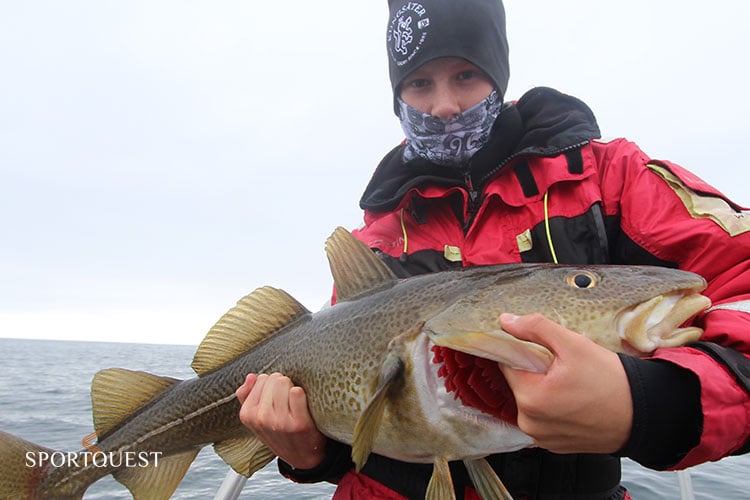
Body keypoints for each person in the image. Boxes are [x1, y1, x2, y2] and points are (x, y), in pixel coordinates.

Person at [236, 0, 750, 498]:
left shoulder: (607, 178)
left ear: (498, 78)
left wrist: (650, 402)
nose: (444, 105)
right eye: (419, 83)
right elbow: (358, 413)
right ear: (397, 97)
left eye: (465, 75)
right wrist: (308, 454)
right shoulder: (377, 240)